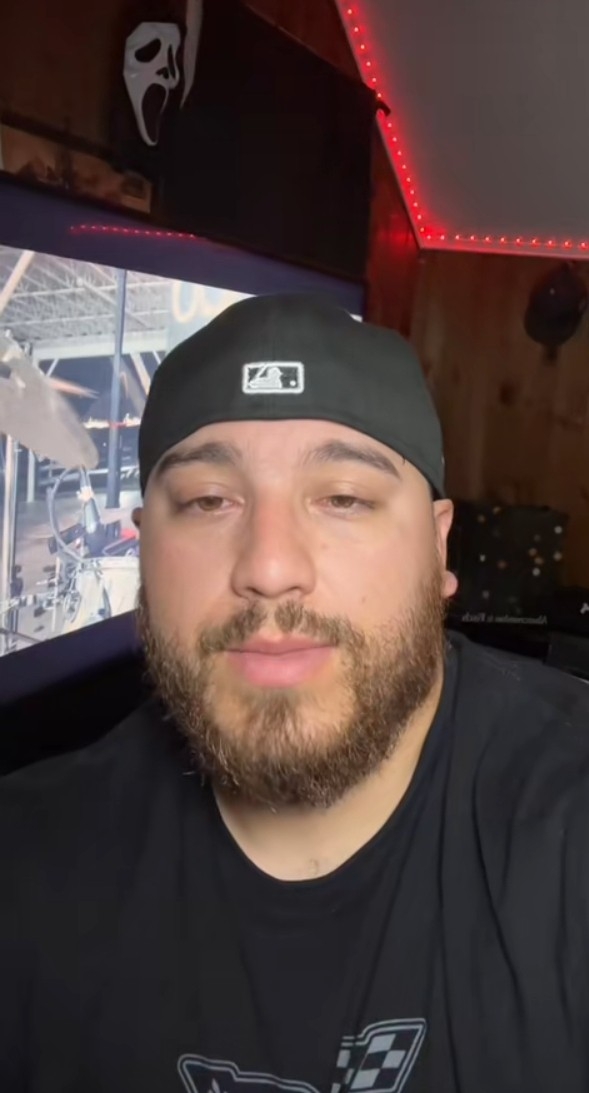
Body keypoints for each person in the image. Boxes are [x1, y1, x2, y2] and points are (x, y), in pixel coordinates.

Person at [1, 293, 589, 1093]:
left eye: (343, 497)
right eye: (207, 501)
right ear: (144, 552)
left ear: (438, 547)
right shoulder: (26, 870)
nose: (270, 566)